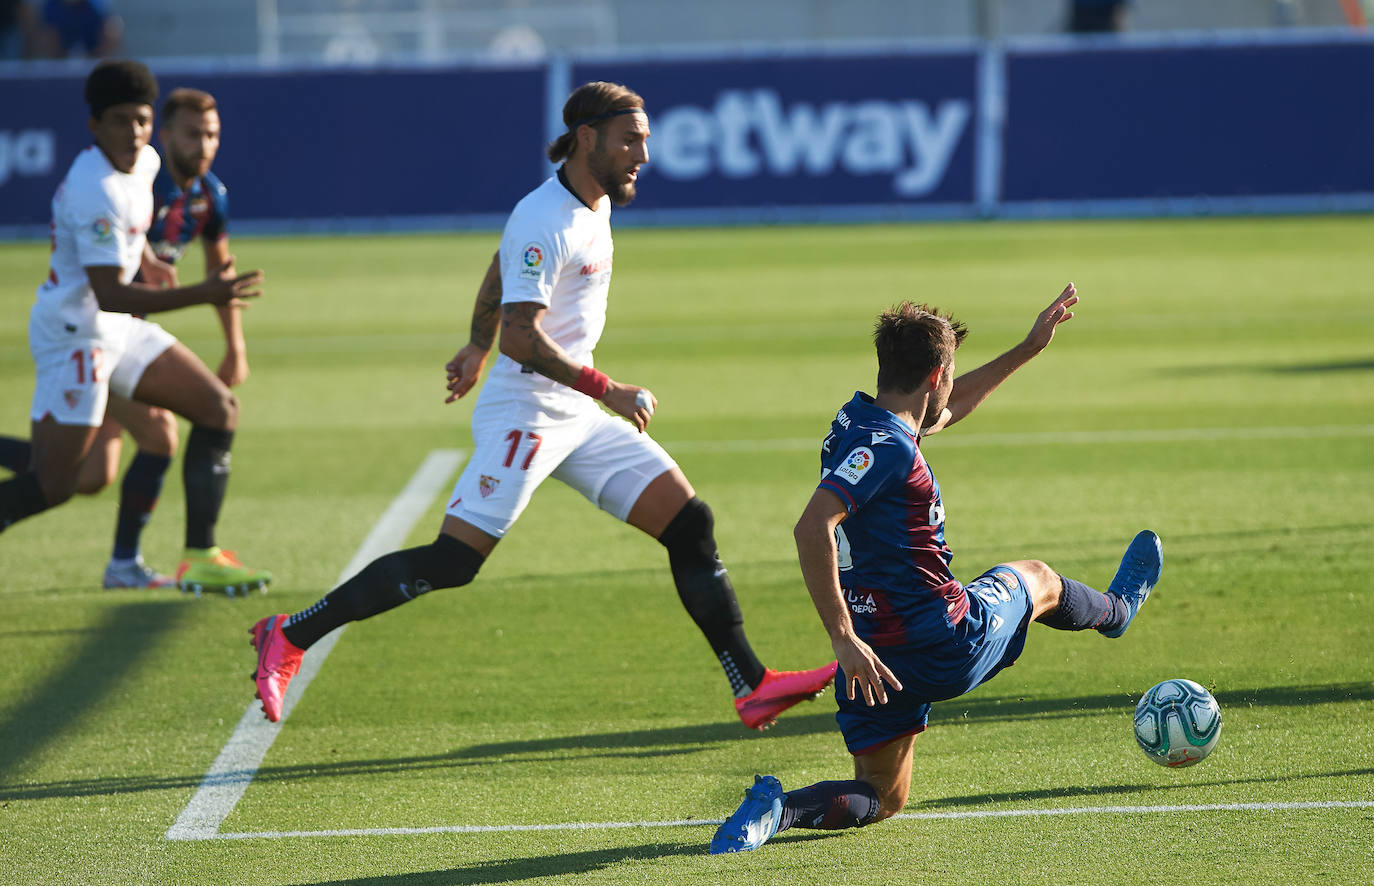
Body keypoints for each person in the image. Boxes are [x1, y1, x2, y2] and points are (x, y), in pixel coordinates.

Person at [247, 81, 837, 729]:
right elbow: (523, 336)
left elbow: (504, 271)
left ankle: (751, 685)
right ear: (587, 139)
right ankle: (291, 633)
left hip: (573, 413)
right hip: (526, 413)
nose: (643, 153)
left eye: (645, 139)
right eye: (629, 140)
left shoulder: (589, 200)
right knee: (454, 562)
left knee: (688, 522)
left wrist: (474, 345)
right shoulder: (545, 217)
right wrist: (604, 387)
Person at [709, 286, 1164, 853]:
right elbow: (811, 527)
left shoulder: (859, 421)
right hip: (943, 639)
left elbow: (944, 413)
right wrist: (841, 637)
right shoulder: (893, 450)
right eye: (950, 374)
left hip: (878, 658)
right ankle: (1116, 612)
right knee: (1038, 577)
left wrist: (1026, 349)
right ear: (935, 374)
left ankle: (779, 810)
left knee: (881, 795)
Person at [0, 60, 272, 598]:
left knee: (219, 409)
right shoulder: (92, 189)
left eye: (142, 120)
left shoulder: (144, 161)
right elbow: (111, 293)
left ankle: (200, 556)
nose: (134, 133)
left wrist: (145, 255)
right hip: (77, 334)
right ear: (94, 125)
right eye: (121, 121)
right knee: (57, 485)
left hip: (116, 328)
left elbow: (134, 229)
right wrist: (202, 292)